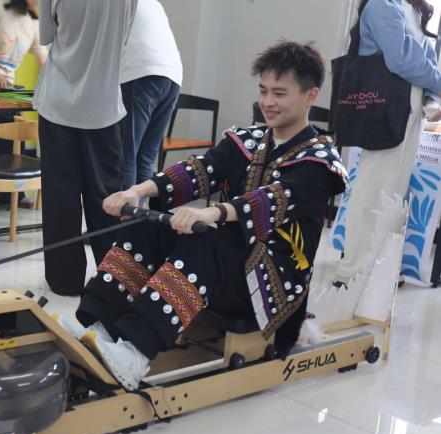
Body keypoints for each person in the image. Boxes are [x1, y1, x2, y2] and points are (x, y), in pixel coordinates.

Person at [62, 41, 348, 390]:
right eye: (263, 91)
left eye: (279, 93)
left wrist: (213, 213)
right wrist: (136, 192)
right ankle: (99, 329)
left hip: (268, 290)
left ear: (310, 96)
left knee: (207, 242)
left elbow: (271, 200)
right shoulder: (248, 140)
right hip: (229, 267)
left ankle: (135, 354)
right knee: (147, 227)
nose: (268, 101)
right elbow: (199, 169)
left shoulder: (321, 162)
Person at [34, 0, 138, 297]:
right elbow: (124, 37)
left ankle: (64, 281)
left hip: (58, 105)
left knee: (60, 199)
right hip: (104, 106)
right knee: (107, 198)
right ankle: (113, 281)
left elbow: (46, 36)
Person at [335, 0, 441, 284]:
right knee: (375, 188)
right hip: (388, 107)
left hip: (410, 111)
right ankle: (354, 270)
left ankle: (376, 267)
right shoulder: (382, 4)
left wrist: (432, 95)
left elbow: (425, 59)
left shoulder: (413, 8)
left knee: (393, 191)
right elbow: (400, 58)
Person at [0, 0, 47, 208]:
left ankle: (11, 196)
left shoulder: (34, 23)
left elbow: (43, 60)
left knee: (12, 138)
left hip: (5, 91)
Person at [120, 0, 182, 189]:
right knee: (146, 157)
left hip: (143, 71)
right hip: (173, 76)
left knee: (127, 155)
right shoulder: (153, 3)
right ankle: (140, 207)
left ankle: (125, 208)